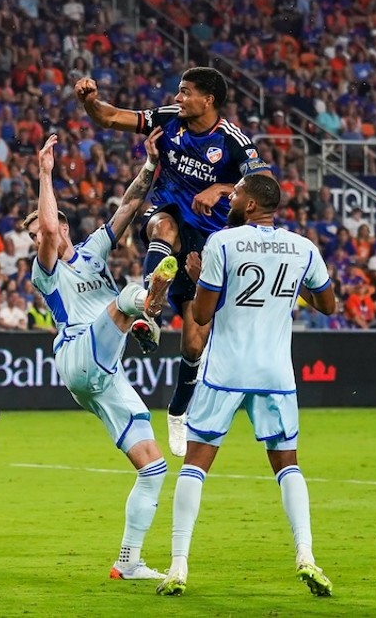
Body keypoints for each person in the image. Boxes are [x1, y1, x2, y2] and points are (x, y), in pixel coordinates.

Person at [157, 174, 337, 597]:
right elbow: (328, 304)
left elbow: (201, 316)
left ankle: (178, 566)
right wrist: (293, 288)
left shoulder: (223, 242)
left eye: (235, 193)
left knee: (195, 465)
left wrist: (201, 278)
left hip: (227, 371)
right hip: (275, 374)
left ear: (251, 205)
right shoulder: (302, 247)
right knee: (288, 465)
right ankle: (306, 556)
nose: (230, 198)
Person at [75, 66, 269, 456]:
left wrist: (223, 187)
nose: (177, 98)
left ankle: (178, 411)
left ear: (208, 99)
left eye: (185, 92)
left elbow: (267, 186)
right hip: (168, 213)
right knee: (163, 228)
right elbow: (112, 117)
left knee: (195, 341)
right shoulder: (168, 120)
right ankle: (150, 307)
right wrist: (90, 102)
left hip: (208, 242)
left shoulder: (232, 142)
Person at [27, 131, 177, 580]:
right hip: (77, 352)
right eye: (35, 236)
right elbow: (50, 228)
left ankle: (128, 561)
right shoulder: (46, 272)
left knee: (154, 467)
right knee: (131, 294)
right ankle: (148, 312)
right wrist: (45, 172)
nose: (40, 239)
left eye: (41, 231)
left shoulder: (93, 251)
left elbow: (129, 206)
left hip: (105, 374)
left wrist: (150, 165)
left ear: (66, 227)